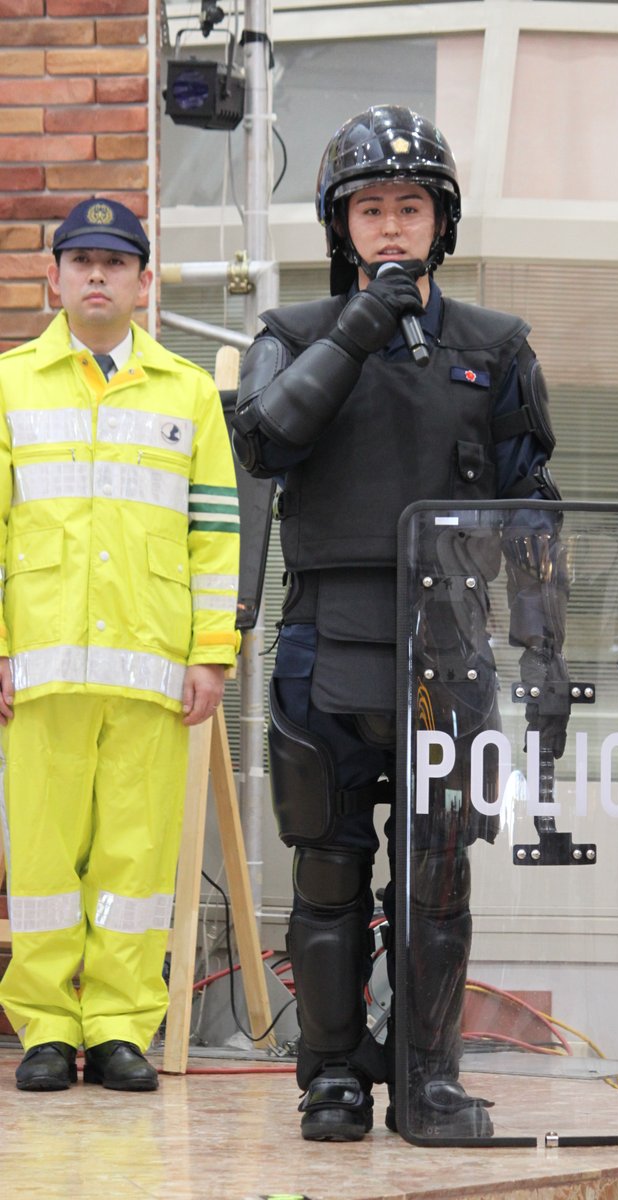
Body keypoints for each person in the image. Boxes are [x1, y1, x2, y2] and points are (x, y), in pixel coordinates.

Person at [233, 105, 566, 1141]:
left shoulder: (496, 347)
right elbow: (266, 443)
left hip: (451, 652)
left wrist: (546, 655)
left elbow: (534, 513)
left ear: (439, 221)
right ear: (341, 226)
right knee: (326, 878)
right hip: (321, 644)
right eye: (368, 209)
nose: (389, 227)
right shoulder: (289, 335)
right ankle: (329, 1076)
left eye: (408, 207)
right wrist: (362, 323)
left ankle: (428, 1076)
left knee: (438, 882)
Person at [0, 198, 240, 1093]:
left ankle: (118, 1027)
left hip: (151, 673)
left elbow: (214, 530)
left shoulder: (185, 395)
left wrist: (212, 651)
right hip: (41, 670)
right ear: (52, 278)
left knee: (135, 862)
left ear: (145, 282)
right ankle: (47, 1029)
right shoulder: (10, 384)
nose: (96, 275)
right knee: (43, 861)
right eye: (80, 260)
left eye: (115, 261)